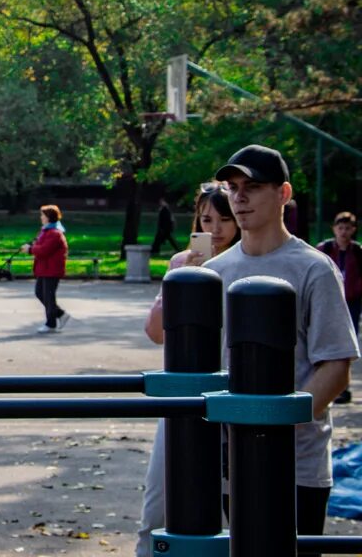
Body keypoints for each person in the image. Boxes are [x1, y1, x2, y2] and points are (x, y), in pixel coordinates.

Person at [205, 145, 359, 544]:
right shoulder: (212, 272)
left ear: (283, 194)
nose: (239, 198)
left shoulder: (313, 268)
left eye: (252, 187)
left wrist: (269, 425)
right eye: (233, 187)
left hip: (298, 465)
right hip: (230, 461)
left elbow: (336, 367)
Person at [135, 182, 240, 557]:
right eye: (206, 219)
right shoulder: (182, 262)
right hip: (183, 393)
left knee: (228, 507)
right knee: (160, 497)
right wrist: (181, 284)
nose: (215, 230)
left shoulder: (248, 263)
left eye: (225, 219)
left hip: (232, 393)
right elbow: (154, 332)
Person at [317, 211, 362, 403]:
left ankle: (343, 388)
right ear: (334, 229)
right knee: (325, 340)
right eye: (340, 228)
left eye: (347, 228)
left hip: (351, 301)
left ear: (353, 230)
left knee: (345, 344)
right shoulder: (325, 249)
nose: (343, 232)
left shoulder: (358, 252)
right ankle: (325, 385)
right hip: (327, 299)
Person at [21, 205, 69, 334]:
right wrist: (31, 245)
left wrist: (30, 249)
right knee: (40, 293)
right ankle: (60, 315)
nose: (41, 217)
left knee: (48, 296)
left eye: (43, 215)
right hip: (45, 268)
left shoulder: (55, 233)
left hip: (51, 270)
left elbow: (45, 250)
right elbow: (40, 245)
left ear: (48, 217)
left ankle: (51, 324)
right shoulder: (46, 231)